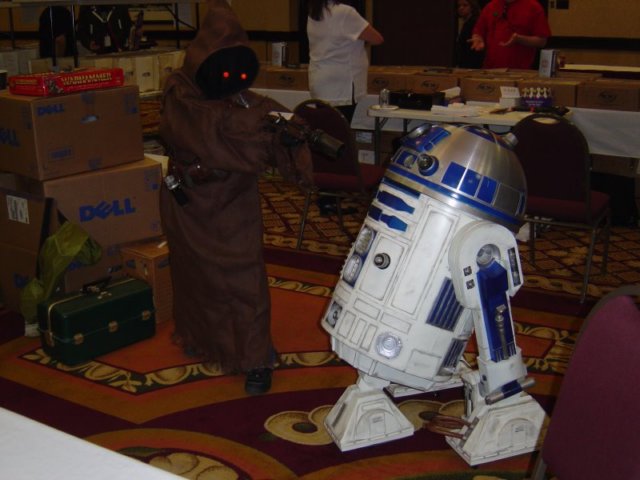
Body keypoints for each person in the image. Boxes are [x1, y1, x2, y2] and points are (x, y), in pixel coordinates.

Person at [159, 0, 313, 395]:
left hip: (231, 203)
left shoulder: (242, 102)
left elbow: (255, 117)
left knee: (243, 280)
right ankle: (201, 337)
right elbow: (209, 128)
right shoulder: (180, 92)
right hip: (188, 199)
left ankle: (254, 357)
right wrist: (261, 129)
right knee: (194, 276)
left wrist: (288, 131)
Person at [306, 0, 384, 123]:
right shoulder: (344, 12)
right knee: (340, 129)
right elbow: (377, 38)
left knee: (327, 128)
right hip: (342, 84)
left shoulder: (315, 13)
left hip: (321, 80)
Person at [470, 0, 551, 70]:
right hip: (490, 70)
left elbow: (542, 41)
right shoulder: (491, 6)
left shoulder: (533, 7)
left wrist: (519, 39)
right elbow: (478, 30)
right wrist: (477, 38)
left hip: (520, 72)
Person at [456, 0, 484, 69]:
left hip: (472, 64)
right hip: (466, 63)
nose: (461, 8)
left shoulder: (474, 22)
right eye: (459, 6)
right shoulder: (466, 22)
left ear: (472, 7)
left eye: (465, 5)